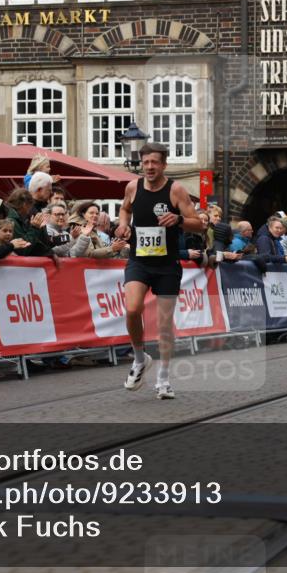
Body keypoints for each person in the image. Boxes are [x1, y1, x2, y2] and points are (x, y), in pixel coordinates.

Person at [115, 142, 203, 400]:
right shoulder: (133, 187)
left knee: (164, 324)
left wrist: (179, 220)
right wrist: (123, 225)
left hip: (167, 265)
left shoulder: (176, 190)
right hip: (139, 260)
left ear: (164, 164)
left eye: (155, 162)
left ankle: (163, 379)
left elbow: (198, 223)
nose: (150, 167)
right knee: (132, 309)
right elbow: (125, 208)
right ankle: (140, 359)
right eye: (146, 162)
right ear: (141, 164)